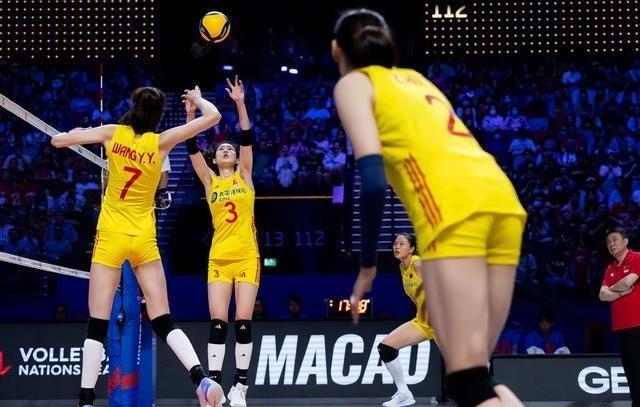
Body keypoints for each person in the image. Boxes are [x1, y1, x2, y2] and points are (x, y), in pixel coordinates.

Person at [332, 9, 527, 406]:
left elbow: (373, 181)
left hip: (452, 211)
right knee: (478, 380)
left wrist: (367, 267)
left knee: (469, 381)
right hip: (503, 200)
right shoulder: (418, 79)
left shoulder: (353, 83)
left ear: (337, 50)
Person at [51, 85, 224, 407]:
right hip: (143, 238)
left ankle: (86, 400)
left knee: (97, 322)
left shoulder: (112, 132)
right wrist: (197, 100)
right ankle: (200, 378)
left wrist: (75, 133)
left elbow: (57, 141)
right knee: (162, 318)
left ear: (133, 107)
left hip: (111, 236)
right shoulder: (161, 141)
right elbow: (214, 116)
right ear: (158, 115)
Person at [185, 76, 259, 407]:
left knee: (243, 323)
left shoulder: (245, 176)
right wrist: (191, 114)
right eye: (221, 149)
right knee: (218, 324)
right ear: (215, 159)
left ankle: (240, 387)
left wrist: (240, 103)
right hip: (219, 257)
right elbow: (190, 146)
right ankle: (213, 386)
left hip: (246, 256)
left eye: (230, 149)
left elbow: (246, 136)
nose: (227, 149)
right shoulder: (210, 180)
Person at [378, 234, 436, 407]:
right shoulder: (402, 267)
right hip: (423, 322)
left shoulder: (418, 264)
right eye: (395, 243)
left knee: (462, 367)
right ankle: (404, 394)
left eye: (402, 244)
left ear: (411, 249)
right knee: (386, 347)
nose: (397, 246)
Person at [600, 226, 640, 406]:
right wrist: (621, 292)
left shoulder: (637, 258)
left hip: (637, 324)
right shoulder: (610, 268)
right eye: (608, 241)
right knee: (629, 370)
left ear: (625, 241)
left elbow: (628, 282)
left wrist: (612, 289)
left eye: (614, 240)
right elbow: (602, 295)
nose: (611, 244)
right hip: (620, 327)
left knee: (638, 369)